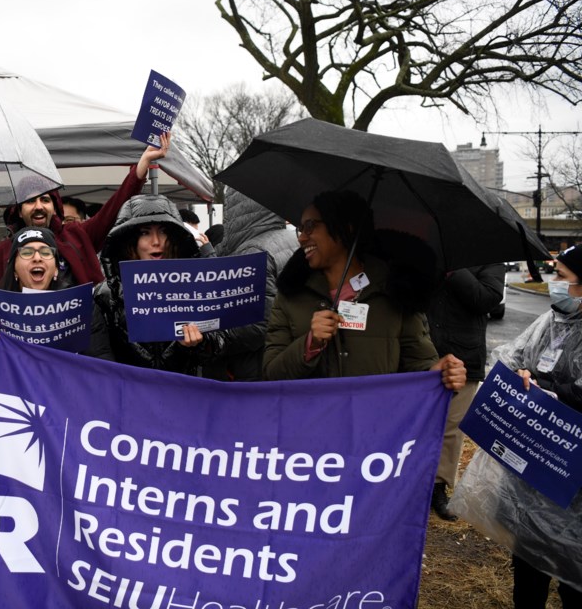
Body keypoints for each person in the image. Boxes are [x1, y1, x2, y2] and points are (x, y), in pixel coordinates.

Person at [262, 189, 465, 392]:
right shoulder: (290, 295)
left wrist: (440, 373)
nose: (302, 238)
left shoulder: (397, 290)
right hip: (313, 421)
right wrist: (310, 344)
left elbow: (419, 365)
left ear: (346, 228)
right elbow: (272, 374)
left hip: (376, 422)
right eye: (300, 229)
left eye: (310, 226)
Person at [492, 245, 582, 609]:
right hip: (537, 462)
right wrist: (521, 376)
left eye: (561, 276)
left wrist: (554, 393)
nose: (553, 283)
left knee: (574, 571)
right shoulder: (553, 320)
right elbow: (512, 355)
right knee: (529, 560)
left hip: (573, 472)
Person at [0, 133, 171, 287]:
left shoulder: (78, 235)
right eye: (30, 201)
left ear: (55, 207)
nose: (39, 206)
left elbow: (113, 210)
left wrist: (141, 166)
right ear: (19, 210)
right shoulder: (1, 252)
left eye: (45, 200)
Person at [94, 194, 232, 375]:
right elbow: (98, 359)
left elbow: (219, 344)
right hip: (128, 397)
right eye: (145, 232)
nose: (156, 241)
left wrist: (200, 343)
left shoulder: (195, 287)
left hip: (182, 394)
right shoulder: (105, 294)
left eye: (163, 231)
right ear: (129, 241)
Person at [426, 264, 506, 520]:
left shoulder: (491, 257)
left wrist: (453, 267)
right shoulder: (425, 252)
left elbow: (487, 299)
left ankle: (438, 486)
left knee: (450, 428)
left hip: (464, 358)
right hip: (420, 353)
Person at [202, 187, 298, 381]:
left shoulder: (253, 252)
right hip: (283, 361)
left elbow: (256, 325)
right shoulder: (291, 238)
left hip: (251, 369)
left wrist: (213, 340)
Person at [0, 226, 112, 360]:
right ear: (14, 270)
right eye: (27, 253)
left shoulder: (83, 308)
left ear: (56, 270)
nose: (37, 258)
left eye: (46, 252)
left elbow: (101, 362)